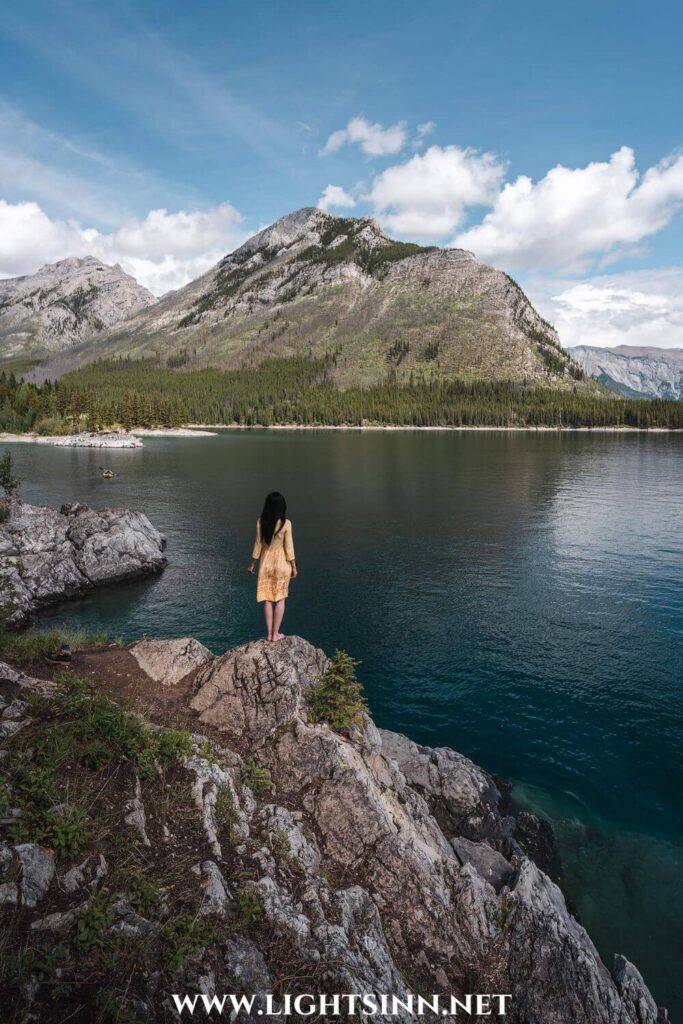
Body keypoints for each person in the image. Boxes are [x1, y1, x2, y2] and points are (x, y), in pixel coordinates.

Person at [248, 491, 297, 641]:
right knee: (280, 599)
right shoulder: (286, 523)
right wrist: (294, 567)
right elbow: (289, 548)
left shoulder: (261, 522)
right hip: (282, 564)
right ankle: (276, 634)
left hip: (266, 564)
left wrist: (251, 564)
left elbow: (258, 546)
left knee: (268, 599)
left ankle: (269, 634)